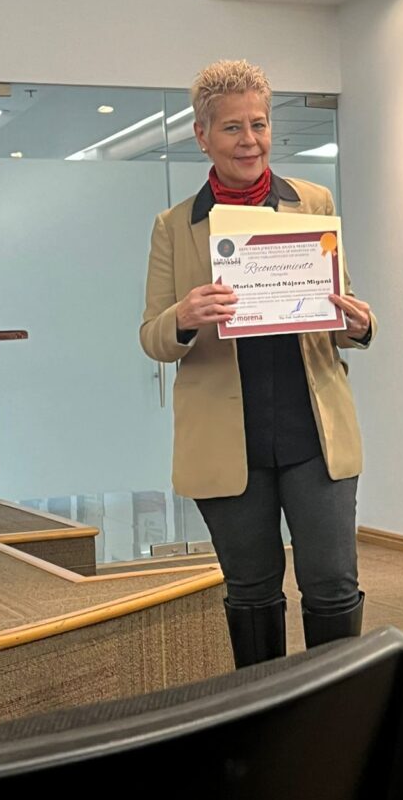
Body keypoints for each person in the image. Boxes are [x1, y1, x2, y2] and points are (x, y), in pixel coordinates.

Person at [140, 59, 376, 668]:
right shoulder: (175, 227)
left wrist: (360, 324)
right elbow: (153, 338)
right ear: (202, 136)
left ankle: (338, 709)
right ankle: (264, 713)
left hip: (313, 431)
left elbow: (343, 307)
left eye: (260, 125)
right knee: (251, 590)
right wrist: (184, 315)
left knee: (332, 584)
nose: (250, 140)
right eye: (232, 128)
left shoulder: (313, 202)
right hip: (228, 440)